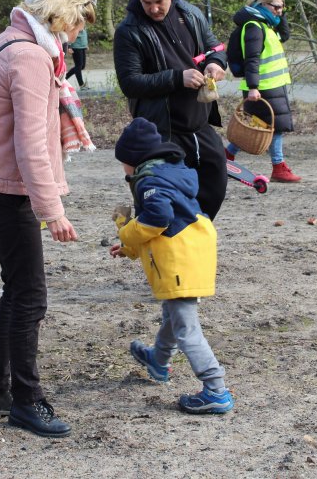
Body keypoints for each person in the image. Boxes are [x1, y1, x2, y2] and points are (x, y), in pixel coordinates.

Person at [0, 0, 95, 438]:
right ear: (60, 16)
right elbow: (31, 144)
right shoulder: (30, 56)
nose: (79, 33)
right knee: (31, 296)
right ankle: (26, 399)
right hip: (7, 187)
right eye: (79, 22)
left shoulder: (10, 40)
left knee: (17, 290)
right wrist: (51, 209)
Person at [109, 117, 234, 414]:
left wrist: (124, 231)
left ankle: (216, 389)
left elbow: (157, 220)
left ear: (134, 159)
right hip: (192, 251)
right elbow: (160, 224)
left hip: (180, 260)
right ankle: (158, 361)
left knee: (186, 327)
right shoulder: (169, 173)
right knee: (172, 316)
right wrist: (128, 248)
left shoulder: (150, 181)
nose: (123, 169)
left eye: (123, 162)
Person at [113, 0, 228, 220]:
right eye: (146, 2)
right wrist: (177, 78)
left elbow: (215, 48)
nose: (153, 8)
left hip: (199, 123)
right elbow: (130, 83)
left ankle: (196, 237)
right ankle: (166, 249)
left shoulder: (191, 14)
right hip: (161, 130)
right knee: (164, 198)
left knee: (215, 185)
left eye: (159, 1)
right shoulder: (129, 31)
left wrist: (216, 63)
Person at [225, 0, 301, 182]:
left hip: (270, 86)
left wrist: (280, 15)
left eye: (282, 7)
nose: (279, 11)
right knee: (273, 126)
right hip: (263, 87)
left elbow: (284, 35)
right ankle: (278, 167)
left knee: (256, 125)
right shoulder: (254, 26)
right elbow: (252, 59)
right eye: (276, 7)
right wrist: (253, 86)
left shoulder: (266, 25)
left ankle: (226, 156)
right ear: (263, 4)